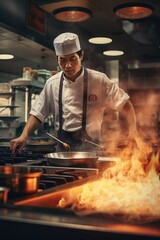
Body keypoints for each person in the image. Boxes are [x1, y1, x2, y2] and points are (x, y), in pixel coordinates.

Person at [10, 32, 145, 155]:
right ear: (57, 59)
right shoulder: (52, 83)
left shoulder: (99, 79)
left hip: (92, 151)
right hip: (62, 151)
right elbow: (38, 114)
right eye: (62, 59)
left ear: (81, 55)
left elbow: (125, 104)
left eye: (72, 58)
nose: (67, 65)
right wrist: (24, 136)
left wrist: (133, 131)